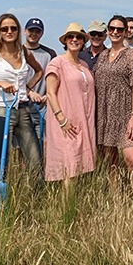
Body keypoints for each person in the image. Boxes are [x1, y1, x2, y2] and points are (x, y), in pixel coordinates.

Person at [0, 13, 44, 176]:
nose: (9, 32)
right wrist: (0, 84)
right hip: (2, 110)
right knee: (2, 160)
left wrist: (27, 88)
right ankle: (0, 196)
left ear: (18, 31)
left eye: (13, 28)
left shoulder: (24, 51)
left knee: (35, 159)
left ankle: (35, 197)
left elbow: (39, 71)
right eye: (4, 28)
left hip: (24, 109)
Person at [93, 15, 133, 206]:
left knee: (132, 159)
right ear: (108, 31)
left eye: (119, 29)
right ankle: (117, 201)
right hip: (105, 113)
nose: (115, 32)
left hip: (126, 112)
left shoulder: (131, 54)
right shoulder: (102, 56)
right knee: (110, 161)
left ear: (125, 32)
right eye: (112, 28)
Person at [44, 24, 97, 185]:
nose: (75, 40)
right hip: (65, 122)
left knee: (79, 166)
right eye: (71, 37)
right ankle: (67, 207)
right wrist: (62, 119)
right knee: (69, 165)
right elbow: (50, 93)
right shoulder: (57, 63)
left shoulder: (84, 65)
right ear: (65, 40)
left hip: (83, 121)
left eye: (78, 37)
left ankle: (73, 205)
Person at [24, 17, 57, 146]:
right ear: (25, 31)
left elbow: (54, 78)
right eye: (31, 30)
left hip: (42, 108)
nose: (34, 34)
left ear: (42, 34)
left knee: (43, 144)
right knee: (22, 146)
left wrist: (47, 96)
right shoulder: (17, 52)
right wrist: (28, 92)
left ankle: (40, 167)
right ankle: (22, 167)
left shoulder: (50, 53)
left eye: (37, 31)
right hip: (22, 106)